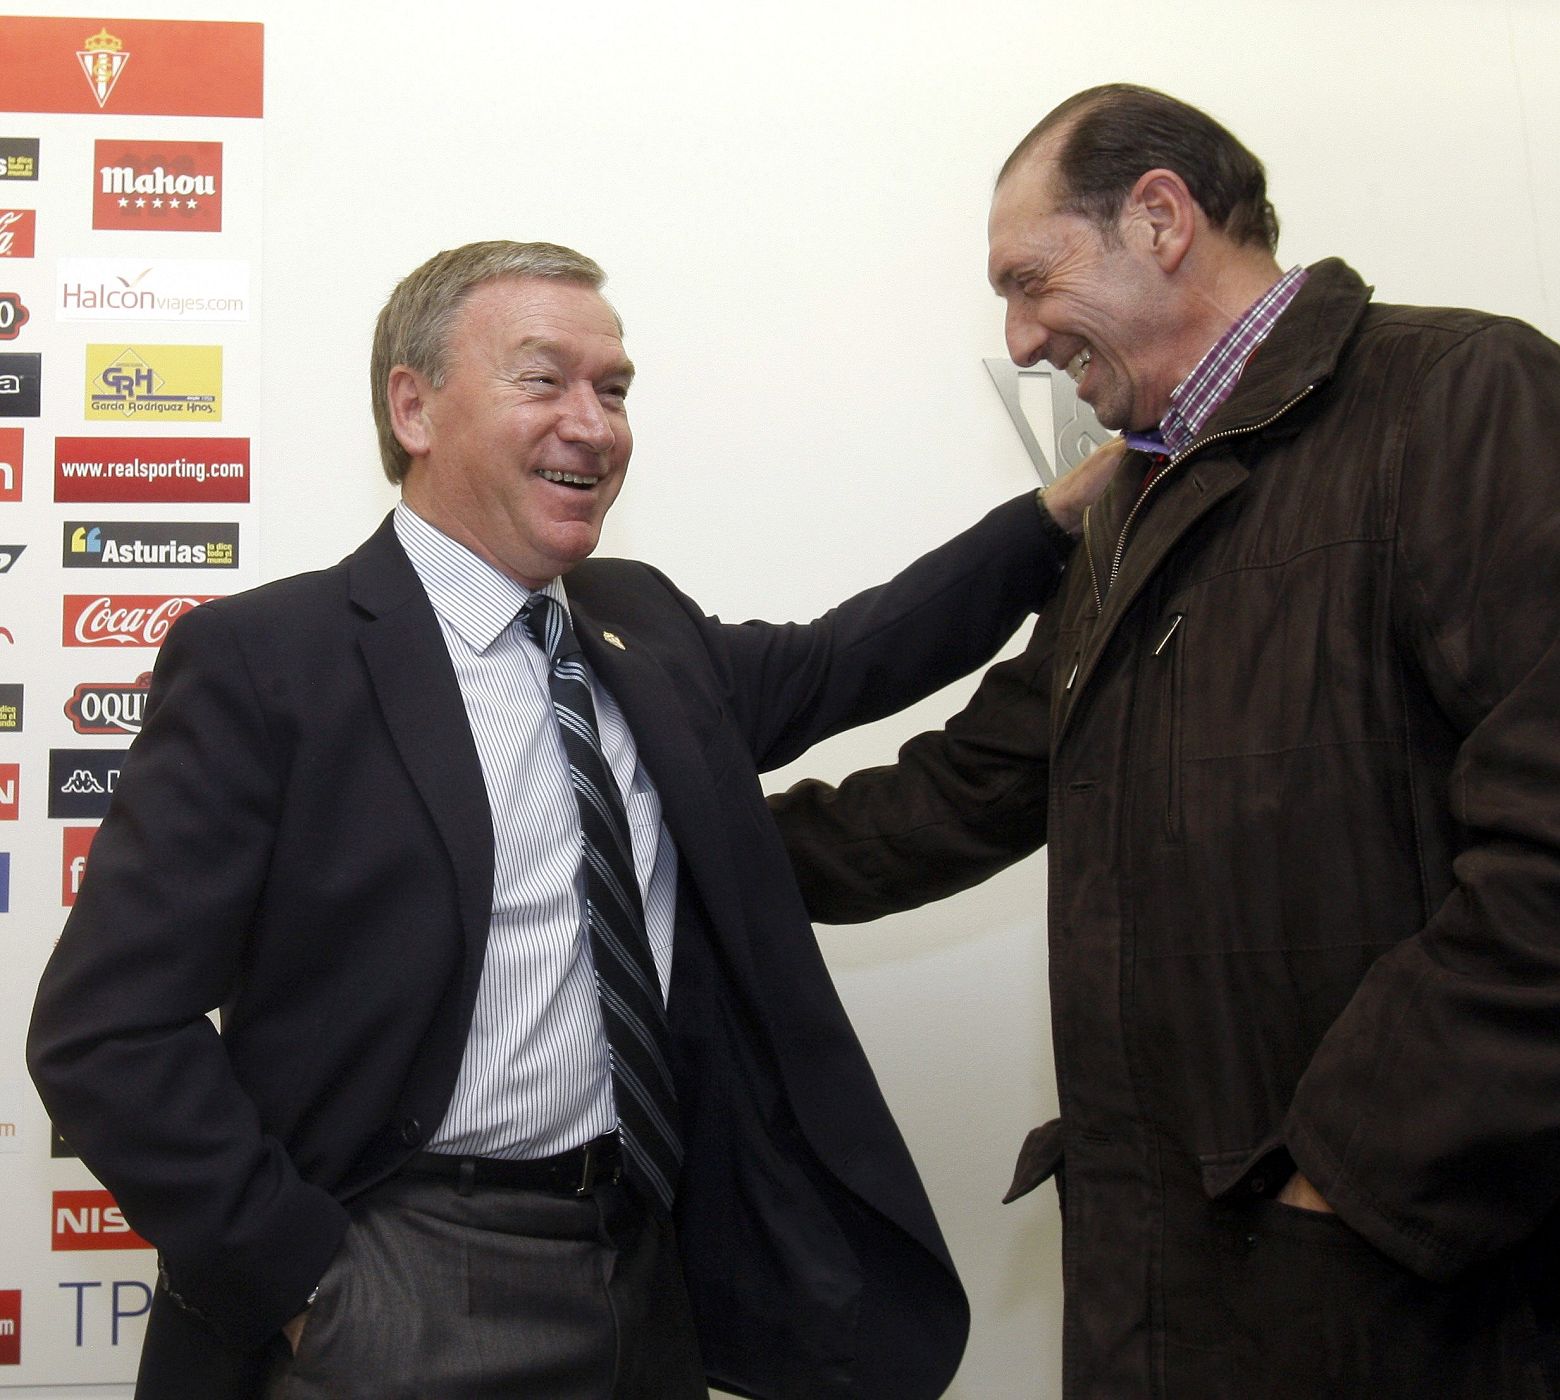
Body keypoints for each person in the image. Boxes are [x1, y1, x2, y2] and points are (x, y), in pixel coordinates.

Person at [28, 239, 1117, 1400]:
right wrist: (308, 1289)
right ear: (414, 405)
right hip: (394, 1276)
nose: (594, 426)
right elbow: (106, 1025)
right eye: (543, 379)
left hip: (645, 1274)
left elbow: (848, 657)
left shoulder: (637, 623)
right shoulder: (270, 662)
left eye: (615, 389)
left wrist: (1058, 516)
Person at [770, 84, 1560, 1398]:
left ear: (1159, 218)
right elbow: (963, 794)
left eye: (1031, 279)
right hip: (1169, 1283)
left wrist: (1347, 1177)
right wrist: (645, 827)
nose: (1019, 338)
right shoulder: (1138, 494)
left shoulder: (1465, 398)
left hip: (1403, 1289)